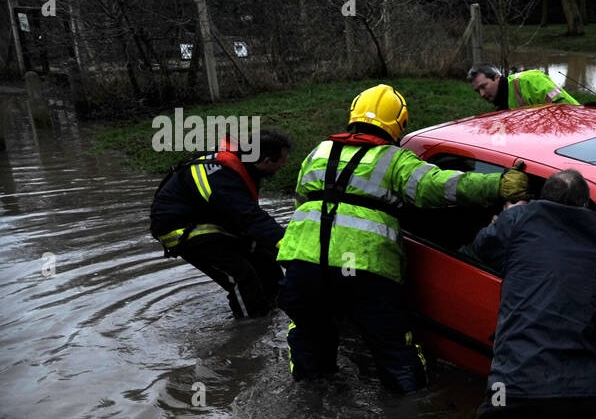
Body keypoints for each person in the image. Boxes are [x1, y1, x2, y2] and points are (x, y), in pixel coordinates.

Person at [277, 83, 529, 394]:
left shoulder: (319, 151)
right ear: (400, 122)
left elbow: (303, 198)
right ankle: (406, 415)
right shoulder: (395, 160)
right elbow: (440, 186)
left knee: (308, 338)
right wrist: (498, 186)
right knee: (395, 350)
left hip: (303, 264)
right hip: (364, 270)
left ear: (353, 114)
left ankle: (310, 405)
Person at [441, 169, 596, 419]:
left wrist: (508, 216)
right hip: (585, 394)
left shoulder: (520, 219)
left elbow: (482, 248)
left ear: (542, 199)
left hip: (520, 386)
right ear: (586, 204)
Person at [149, 128, 293, 318]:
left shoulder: (243, 162)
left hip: (209, 220)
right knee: (242, 277)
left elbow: (249, 218)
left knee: (266, 263)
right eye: (282, 160)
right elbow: (251, 219)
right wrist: (292, 250)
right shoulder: (224, 178)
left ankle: (278, 311)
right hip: (182, 229)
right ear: (266, 161)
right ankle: (250, 330)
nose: (285, 165)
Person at [467, 63, 579, 109]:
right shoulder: (501, 102)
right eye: (477, 91)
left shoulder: (528, 80)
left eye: (484, 86)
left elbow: (564, 108)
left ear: (496, 77)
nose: (481, 94)